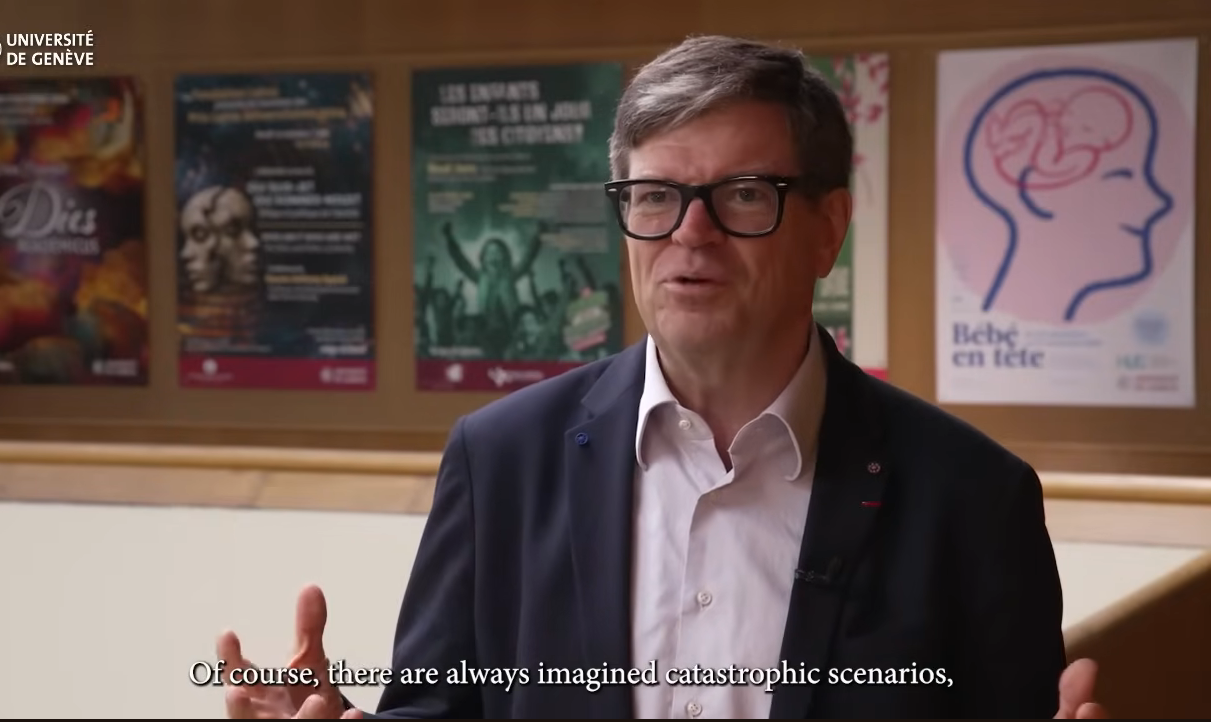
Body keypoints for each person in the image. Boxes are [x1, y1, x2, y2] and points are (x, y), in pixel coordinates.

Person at [218, 35, 1110, 719]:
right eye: (655, 197)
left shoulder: (972, 497)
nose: (690, 232)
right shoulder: (502, 461)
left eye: (745, 194)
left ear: (828, 228)